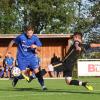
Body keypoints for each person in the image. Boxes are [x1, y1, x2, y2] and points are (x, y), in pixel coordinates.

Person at [4, 25, 47, 90]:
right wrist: (7, 52)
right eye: (28, 33)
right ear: (25, 32)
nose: (29, 34)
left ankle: (43, 86)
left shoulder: (35, 38)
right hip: (22, 58)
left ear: (33, 32)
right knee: (21, 75)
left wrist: (36, 46)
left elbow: (40, 49)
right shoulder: (21, 37)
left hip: (32, 58)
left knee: (37, 71)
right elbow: (12, 41)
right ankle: (16, 78)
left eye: (31, 33)